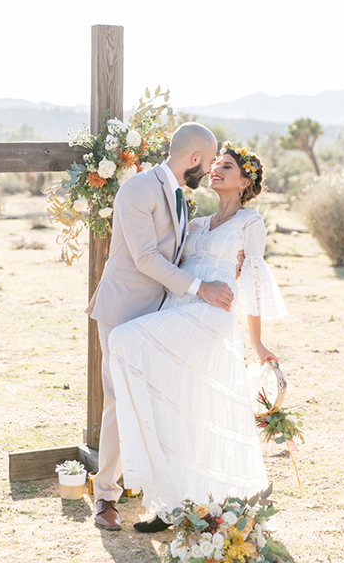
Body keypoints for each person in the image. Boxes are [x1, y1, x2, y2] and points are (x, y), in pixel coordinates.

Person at [108, 142, 288, 531]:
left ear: (244, 183)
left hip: (210, 316)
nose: (215, 170)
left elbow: (253, 282)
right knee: (176, 407)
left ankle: (204, 498)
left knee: (123, 339)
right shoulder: (196, 222)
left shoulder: (250, 223)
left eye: (226, 166)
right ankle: (172, 506)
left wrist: (255, 343)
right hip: (177, 308)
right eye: (215, 164)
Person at [86, 123, 238, 532]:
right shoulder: (137, 189)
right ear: (193, 159)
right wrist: (201, 289)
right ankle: (105, 496)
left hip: (159, 317)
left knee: (155, 403)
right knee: (119, 400)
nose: (208, 172)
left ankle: (153, 490)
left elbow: (181, 252)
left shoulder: (179, 197)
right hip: (122, 311)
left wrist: (228, 262)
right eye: (207, 164)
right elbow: (146, 259)